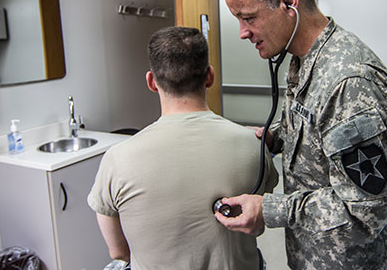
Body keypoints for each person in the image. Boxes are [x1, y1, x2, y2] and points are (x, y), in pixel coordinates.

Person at [214, 0, 387, 269]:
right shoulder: (304, 60)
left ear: (289, 2)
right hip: (310, 253)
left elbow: (366, 209)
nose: (243, 33)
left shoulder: (348, 82)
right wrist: (274, 137)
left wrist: (269, 209)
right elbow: (316, 134)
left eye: (248, 18)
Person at [88, 27, 278, 270]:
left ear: (151, 82)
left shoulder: (117, 158)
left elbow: (119, 251)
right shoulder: (253, 145)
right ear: (210, 76)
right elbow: (258, 222)